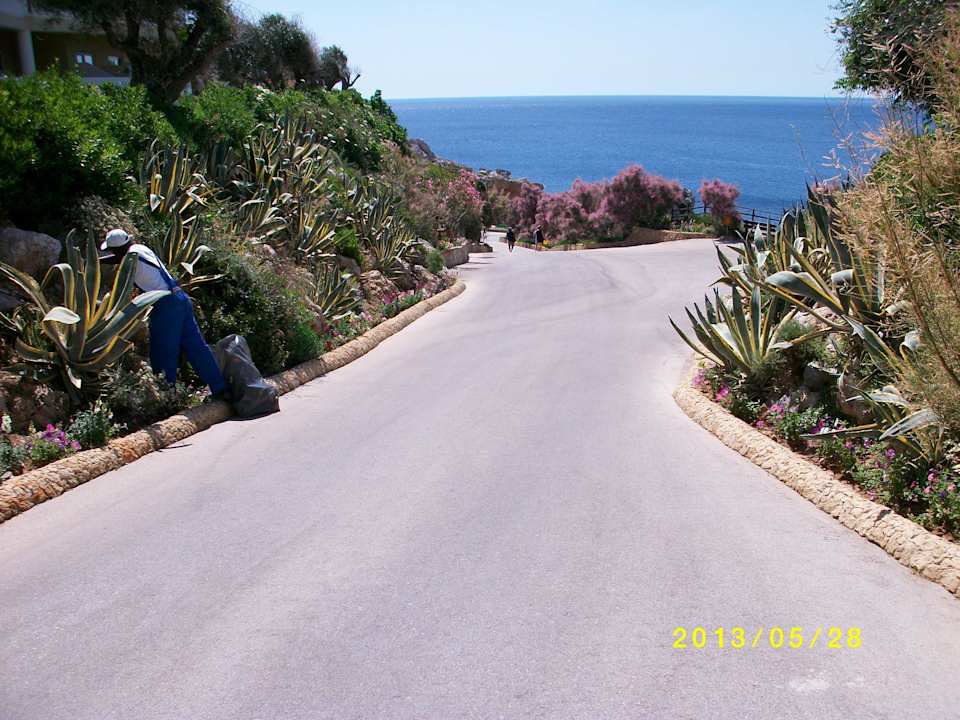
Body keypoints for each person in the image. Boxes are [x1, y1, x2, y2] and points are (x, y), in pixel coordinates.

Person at [100, 229, 227, 397]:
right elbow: (120, 257)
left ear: (118, 250)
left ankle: (168, 394)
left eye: (112, 250)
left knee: (163, 350)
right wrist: (101, 260)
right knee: (196, 346)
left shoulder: (129, 261)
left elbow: (122, 270)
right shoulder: (140, 248)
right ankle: (221, 388)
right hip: (179, 297)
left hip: (165, 304)